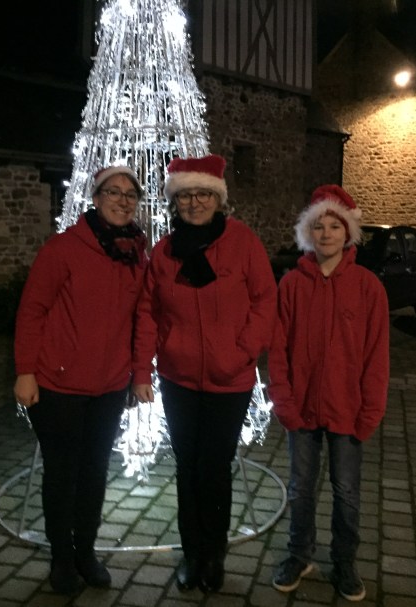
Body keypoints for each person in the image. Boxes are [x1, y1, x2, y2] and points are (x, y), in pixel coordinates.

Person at [132, 154, 277, 593]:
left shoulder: (242, 242)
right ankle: (192, 553)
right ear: (175, 202)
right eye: (186, 196)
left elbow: (264, 301)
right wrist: (143, 371)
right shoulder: (164, 251)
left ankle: (214, 553)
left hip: (228, 380)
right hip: (178, 379)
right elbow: (148, 311)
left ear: (218, 199)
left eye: (203, 194)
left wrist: (242, 352)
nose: (194, 203)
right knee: (187, 467)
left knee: (213, 467)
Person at [13, 165, 148, 596]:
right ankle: (61, 558)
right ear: (96, 198)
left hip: (109, 387)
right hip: (59, 386)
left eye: (131, 194)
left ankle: (86, 551)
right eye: (114, 191)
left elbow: (141, 318)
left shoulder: (135, 254)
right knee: (62, 475)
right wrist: (25, 371)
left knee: (94, 473)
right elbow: (32, 310)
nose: (123, 200)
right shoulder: (64, 249)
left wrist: (136, 374)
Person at [268, 184, 389, 601]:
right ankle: (299, 554)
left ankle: (344, 561)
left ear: (348, 232)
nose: (326, 234)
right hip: (301, 408)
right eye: (318, 226)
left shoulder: (368, 287)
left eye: (335, 226)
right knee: (301, 487)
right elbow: (278, 349)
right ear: (308, 232)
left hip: (348, 409)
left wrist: (370, 409)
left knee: (347, 491)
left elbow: (376, 355)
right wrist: (283, 400)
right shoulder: (291, 285)